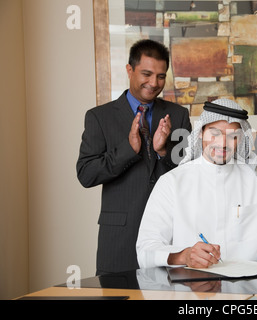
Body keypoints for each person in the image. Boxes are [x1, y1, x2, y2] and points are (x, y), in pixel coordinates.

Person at [136, 99, 257, 269]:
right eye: (215, 133)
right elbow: (146, 250)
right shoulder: (171, 183)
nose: (222, 144)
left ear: (241, 138)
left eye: (233, 136)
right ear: (200, 132)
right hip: (192, 291)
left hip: (251, 290)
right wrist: (184, 256)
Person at [77, 39, 192, 275]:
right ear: (129, 70)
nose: (154, 83)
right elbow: (86, 174)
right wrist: (129, 150)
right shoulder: (99, 117)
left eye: (161, 76)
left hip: (170, 237)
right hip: (120, 238)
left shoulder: (178, 115)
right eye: (146, 74)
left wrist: (163, 152)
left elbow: (190, 175)